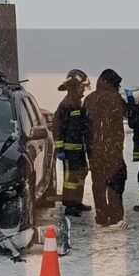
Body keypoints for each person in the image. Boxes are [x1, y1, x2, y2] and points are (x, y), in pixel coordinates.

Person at [84, 69, 128, 228]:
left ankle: (101, 215)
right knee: (116, 181)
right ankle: (115, 215)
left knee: (98, 182)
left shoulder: (89, 99)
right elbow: (129, 113)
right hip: (113, 150)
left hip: (94, 150)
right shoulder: (115, 98)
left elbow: (84, 127)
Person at [53, 69, 92, 217]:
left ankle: (77, 202)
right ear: (74, 86)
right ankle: (70, 206)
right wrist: (60, 149)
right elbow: (57, 128)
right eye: (82, 86)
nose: (84, 89)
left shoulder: (77, 103)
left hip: (78, 149)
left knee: (80, 175)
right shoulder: (66, 104)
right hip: (70, 151)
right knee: (71, 178)